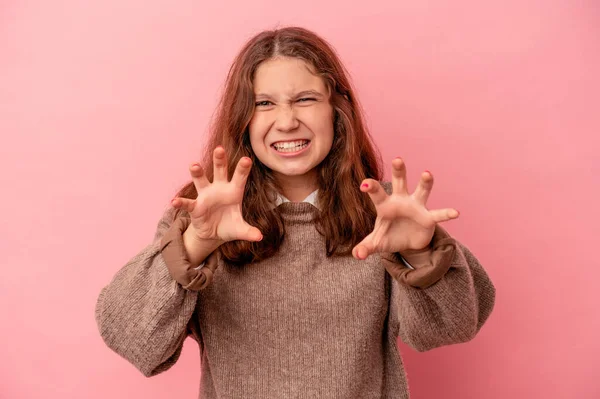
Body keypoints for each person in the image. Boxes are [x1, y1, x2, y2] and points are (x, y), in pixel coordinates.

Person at [95, 26, 496, 398]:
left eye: (305, 99)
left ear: (337, 110)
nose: (286, 121)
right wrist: (197, 243)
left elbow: (452, 328)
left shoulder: (385, 212)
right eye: (264, 103)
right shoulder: (201, 217)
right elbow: (133, 341)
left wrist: (422, 252)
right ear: (243, 120)